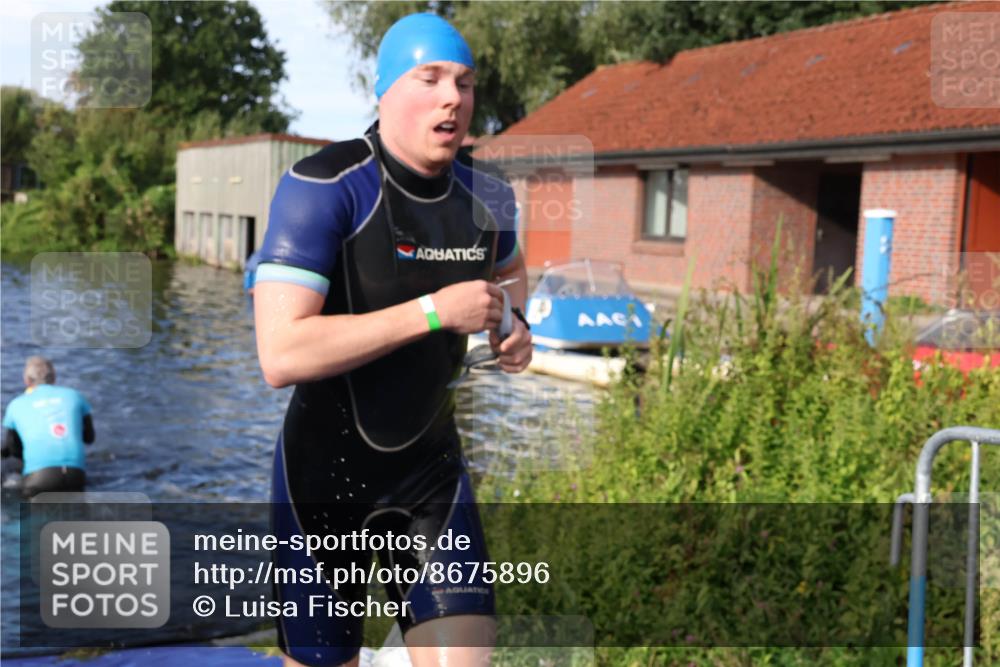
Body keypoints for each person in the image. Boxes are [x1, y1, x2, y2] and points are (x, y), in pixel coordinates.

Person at [253, 12, 531, 667]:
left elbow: (512, 276)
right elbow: (280, 354)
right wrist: (434, 311)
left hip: (430, 474)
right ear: (383, 92)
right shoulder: (323, 186)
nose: (452, 98)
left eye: (464, 84)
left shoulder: (489, 197)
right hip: (323, 479)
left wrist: (515, 327)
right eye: (429, 78)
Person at [1, 356, 95, 498]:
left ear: (26, 380)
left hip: (39, 480)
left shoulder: (16, 405)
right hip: (76, 476)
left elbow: (12, 448)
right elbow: (89, 438)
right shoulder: (75, 396)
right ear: (54, 377)